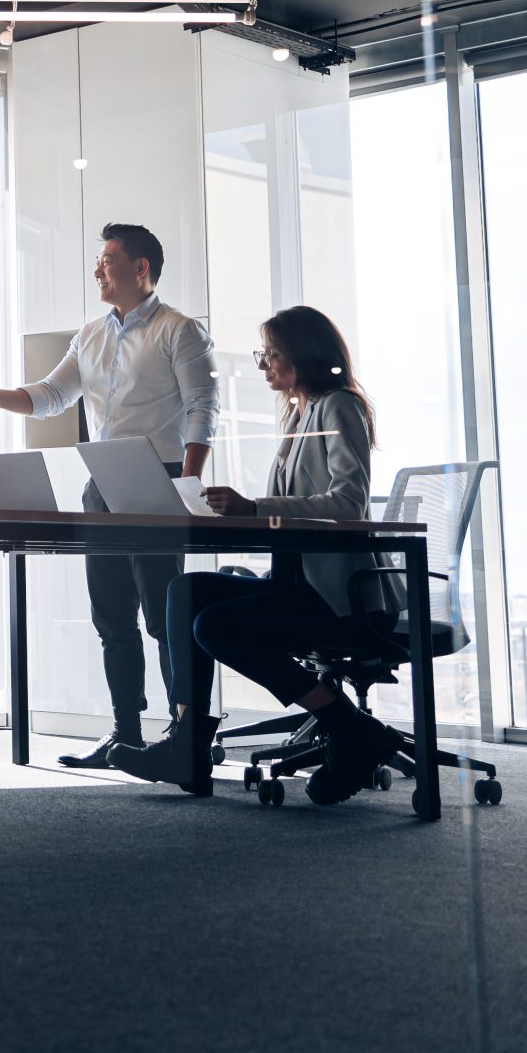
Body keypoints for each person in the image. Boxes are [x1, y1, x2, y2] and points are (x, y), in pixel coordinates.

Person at [109, 305, 406, 805]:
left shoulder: (339, 406)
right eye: (262, 355)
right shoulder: (298, 412)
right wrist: (236, 511)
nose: (264, 365)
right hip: (297, 582)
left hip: (343, 599)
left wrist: (255, 507)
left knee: (215, 627)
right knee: (187, 590)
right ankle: (187, 743)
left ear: (303, 355)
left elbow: (349, 502)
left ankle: (347, 725)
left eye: (272, 355)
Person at [0, 222, 214, 768]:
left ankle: (186, 733)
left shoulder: (180, 330)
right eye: (98, 260)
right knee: (111, 617)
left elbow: (203, 408)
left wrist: (187, 483)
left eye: (108, 259)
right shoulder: (88, 335)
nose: (98, 269)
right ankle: (125, 734)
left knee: (163, 617)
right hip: (102, 482)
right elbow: (49, 397)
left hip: (159, 478)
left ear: (140, 268)